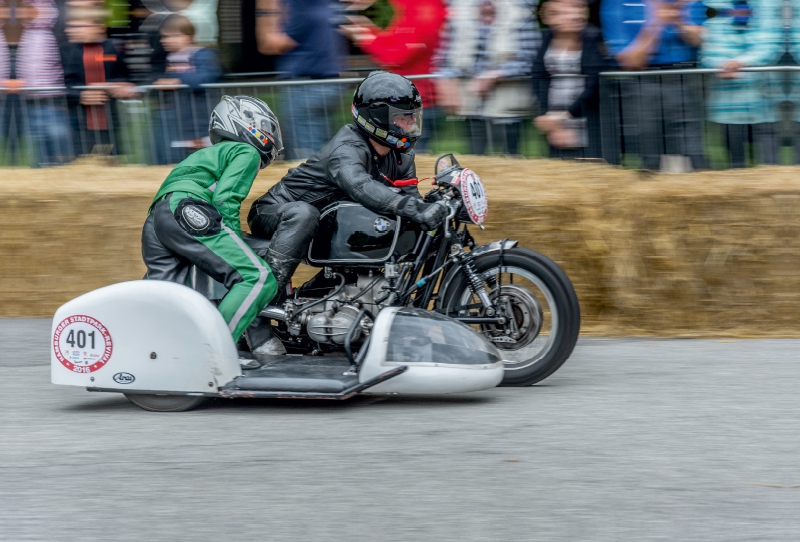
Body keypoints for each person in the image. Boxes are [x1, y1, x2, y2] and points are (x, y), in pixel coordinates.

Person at [247, 71, 449, 300]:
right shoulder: (346, 149)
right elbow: (361, 186)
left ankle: (311, 303)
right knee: (304, 213)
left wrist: (434, 211)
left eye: (414, 115)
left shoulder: (401, 156)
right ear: (378, 117)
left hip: (325, 220)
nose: (412, 122)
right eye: (404, 116)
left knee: (366, 237)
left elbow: (412, 202)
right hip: (275, 211)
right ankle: (264, 297)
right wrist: (414, 208)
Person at [142, 95, 284, 357]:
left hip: (158, 218)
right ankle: (212, 355)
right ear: (245, 124)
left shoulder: (210, 154)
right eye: (267, 129)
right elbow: (225, 199)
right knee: (257, 277)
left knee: (163, 295)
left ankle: (154, 352)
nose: (272, 139)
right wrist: (237, 242)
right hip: (187, 210)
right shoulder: (246, 151)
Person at [601, 0, 708, 171]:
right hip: (642, 84)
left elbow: (701, 40)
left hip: (685, 79)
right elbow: (631, 61)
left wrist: (678, 18)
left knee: (694, 154)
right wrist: (656, 23)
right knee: (650, 157)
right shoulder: (616, 4)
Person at [433, 0, 540, 156]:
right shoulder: (459, 14)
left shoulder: (521, 14)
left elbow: (531, 61)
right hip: (470, 103)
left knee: (510, 158)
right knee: (475, 157)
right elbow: (443, 59)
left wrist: (492, 76)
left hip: (509, 105)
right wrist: (444, 81)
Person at [340, 0, 447, 152]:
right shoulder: (416, 8)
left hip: (412, 100)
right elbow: (393, 42)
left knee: (407, 158)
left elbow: (395, 55)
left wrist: (363, 35)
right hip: (409, 97)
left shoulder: (421, 9)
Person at [255, 0, 346, 160]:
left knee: (304, 159)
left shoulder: (299, 5)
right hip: (329, 84)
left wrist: (264, 10)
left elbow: (269, 44)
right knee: (325, 155)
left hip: (304, 91)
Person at [700, 0, 784, 168]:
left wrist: (739, 62)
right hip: (727, 108)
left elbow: (769, 48)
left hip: (764, 106)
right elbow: (706, 55)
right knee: (736, 166)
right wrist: (721, 64)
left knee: (771, 165)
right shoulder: (715, 20)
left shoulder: (766, 16)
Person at [532, 0, 606, 159]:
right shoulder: (547, 38)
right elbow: (538, 77)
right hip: (555, 121)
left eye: (578, 9)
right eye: (565, 12)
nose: (574, 16)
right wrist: (550, 118)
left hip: (587, 120)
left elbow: (594, 84)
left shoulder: (592, 37)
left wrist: (565, 116)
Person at [62, 5, 136, 157]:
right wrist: (79, 95)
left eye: (79, 26)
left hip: (109, 118)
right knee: (82, 161)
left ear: (99, 27)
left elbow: (124, 77)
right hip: (77, 120)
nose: (70, 30)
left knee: (110, 159)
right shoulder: (66, 51)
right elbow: (58, 84)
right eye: (70, 27)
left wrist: (121, 86)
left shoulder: (112, 48)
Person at [150, 14, 221, 164]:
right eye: (164, 37)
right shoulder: (168, 58)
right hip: (176, 117)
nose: (167, 41)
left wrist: (179, 80)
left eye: (174, 36)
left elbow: (208, 76)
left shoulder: (203, 54)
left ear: (189, 36)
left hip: (199, 115)